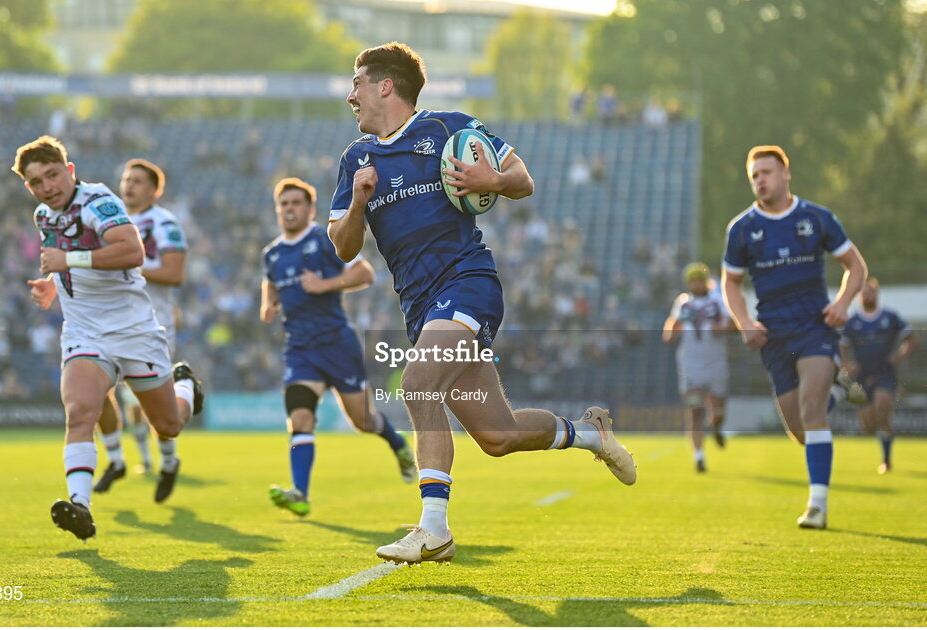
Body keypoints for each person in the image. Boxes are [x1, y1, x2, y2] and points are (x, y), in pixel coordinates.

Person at [328, 42, 635, 564]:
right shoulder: (355, 159)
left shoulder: (449, 128)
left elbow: (522, 178)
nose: (350, 94)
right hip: (420, 305)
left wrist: (491, 179)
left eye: (356, 82)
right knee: (499, 434)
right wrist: (358, 200)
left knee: (419, 382)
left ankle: (433, 529)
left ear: (385, 85)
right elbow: (343, 245)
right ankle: (590, 434)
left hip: (468, 281)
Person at [14, 136, 203, 541]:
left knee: (168, 426)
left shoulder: (98, 200)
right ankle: (80, 506)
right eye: (35, 182)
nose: (47, 187)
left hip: (134, 330)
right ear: (28, 188)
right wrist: (53, 283)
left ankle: (185, 387)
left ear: (70, 171)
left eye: (52, 175)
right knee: (81, 411)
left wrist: (70, 260)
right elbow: (59, 258)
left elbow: (132, 252)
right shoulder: (44, 216)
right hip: (84, 331)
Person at [721, 145, 867, 530]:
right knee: (802, 431)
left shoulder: (816, 218)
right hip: (774, 335)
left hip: (815, 327)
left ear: (786, 174)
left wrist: (843, 302)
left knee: (812, 409)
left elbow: (855, 266)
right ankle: (837, 388)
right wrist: (744, 322)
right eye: (754, 176)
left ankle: (817, 505)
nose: (760, 181)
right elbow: (731, 284)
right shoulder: (741, 229)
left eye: (767, 172)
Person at [261, 177, 416, 518]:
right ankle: (300, 493)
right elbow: (271, 280)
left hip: (337, 344)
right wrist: (268, 303)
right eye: (283, 204)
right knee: (300, 418)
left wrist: (324, 284)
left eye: (296, 203)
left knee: (363, 421)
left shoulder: (323, 240)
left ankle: (398, 443)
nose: (289, 209)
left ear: (310, 209)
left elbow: (364, 272)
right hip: (300, 349)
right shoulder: (271, 253)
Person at [93, 159, 190, 502]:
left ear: (154, 189)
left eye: (137, 180)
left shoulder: (164, 223)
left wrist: (129, 261)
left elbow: (174, 273)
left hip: (151, 326)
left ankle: (167, 461)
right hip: (108, 324)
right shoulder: (110, 223)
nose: (128, 185)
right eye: (125, 179)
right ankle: (117, 460)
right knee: (91, 391)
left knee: (154, 410)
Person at [840, 278, 918, 474]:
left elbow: (911, 339)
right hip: (862, 375)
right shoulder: (852, 322)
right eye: (864, 293)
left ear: (877, 294)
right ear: (859, 297)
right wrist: (847, 365)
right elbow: (842, 345)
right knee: (867, 424)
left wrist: (898, 357)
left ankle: (886, 460)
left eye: (871, 292)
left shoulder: (890, 317)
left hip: (885, 372)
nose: (867, 296)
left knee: (883, 408)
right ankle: (877, 433)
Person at [662, 262, 731, 472]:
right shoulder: (683, 303)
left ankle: (717, 426)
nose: (696, 284)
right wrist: (672, 329)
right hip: (691, 363)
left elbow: (732, 324)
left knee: (717, 410)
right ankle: (699, 456)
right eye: (693, 281)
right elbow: (670, 330)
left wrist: (722, 327)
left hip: (715, 361)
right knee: (695, 409)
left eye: (699, 280)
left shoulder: (718, 301)